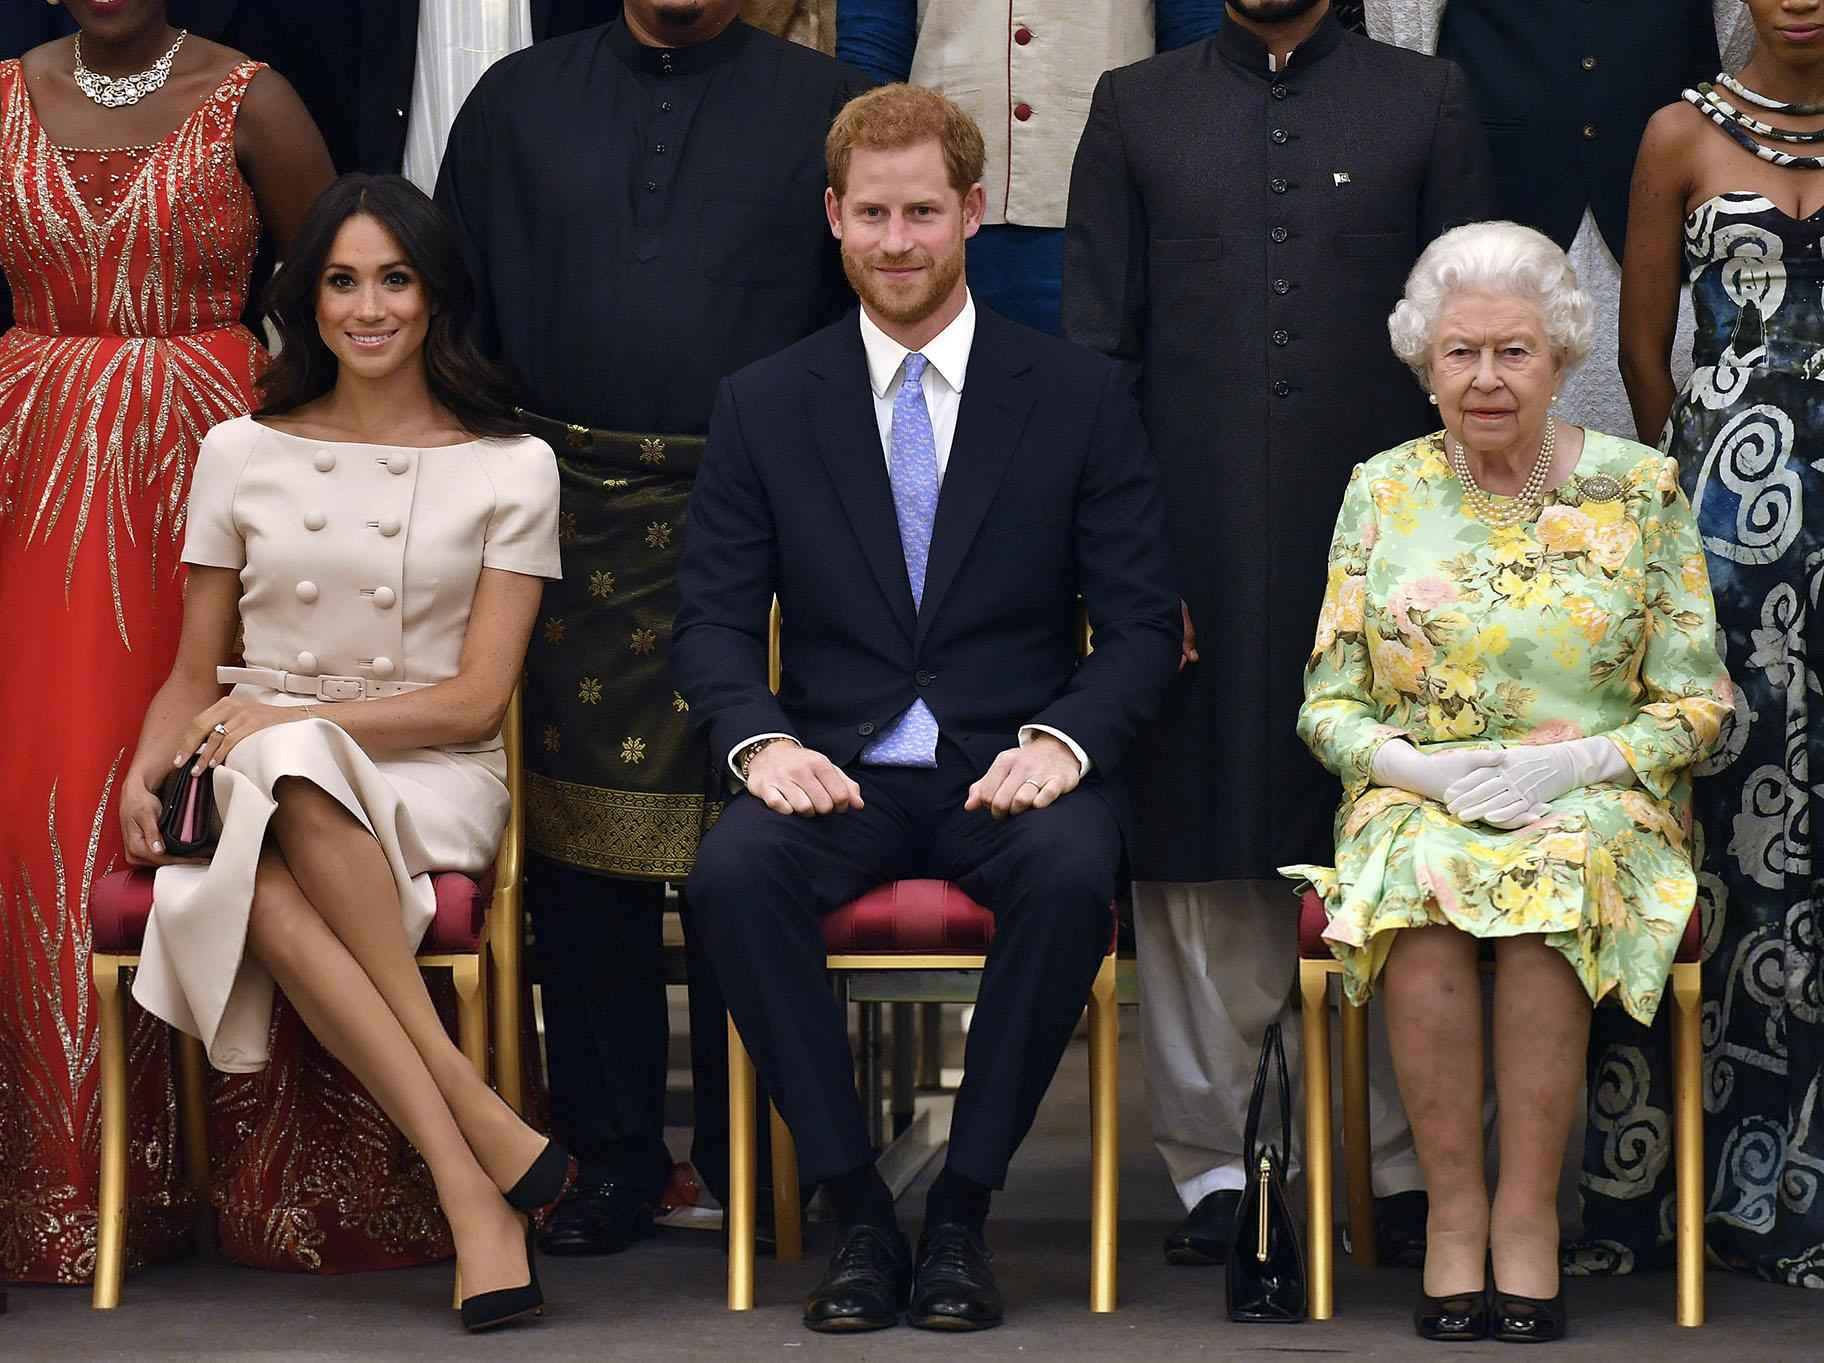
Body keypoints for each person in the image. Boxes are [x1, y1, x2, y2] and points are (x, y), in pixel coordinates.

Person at [674, 83, 1180, 1333]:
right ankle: (854, 1203)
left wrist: (1062, 743)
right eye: (871, 216)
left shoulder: (1072, 395)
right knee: (732, 874)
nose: (896, 243)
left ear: (972, 210)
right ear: (834, 218)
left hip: (1006, 770)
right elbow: (715, 625)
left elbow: (1140, 629)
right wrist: (760, 741)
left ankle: (960, 1207)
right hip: (833, 768)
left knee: (1072, 870)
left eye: (922, 214)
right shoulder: (764, 401)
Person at [1061, 0, 1495, 1269]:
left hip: (1392, 561)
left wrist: (1457, 572)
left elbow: (1467, 349)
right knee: (1201, 854)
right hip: (1188, 552)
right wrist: (1132, 577)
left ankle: (1408, 1166)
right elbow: (1101, 357)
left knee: (1393, 845)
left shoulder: (1427, 101)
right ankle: (1214, 1169)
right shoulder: (1136, 107)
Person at [436, 0, 869, 1256]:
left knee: (762, 841)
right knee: (579, 863)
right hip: (560, 522)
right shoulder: (518, 101)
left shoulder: (823, 105)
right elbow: (458, 317)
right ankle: (615, 1158)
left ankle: (766, 1153)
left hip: (769, 525)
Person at [124, 174, 567, 1332]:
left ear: (435, 299)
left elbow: (477, 698)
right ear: (308, 301)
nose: (368, 307)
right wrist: (142, 766)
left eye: (395, 279)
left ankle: (473, 1162)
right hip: (254, 755)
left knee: (278, 800)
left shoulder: (513, 463)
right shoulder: (238, 448)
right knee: (267, 815)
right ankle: (476, 1154)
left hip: (430, 768)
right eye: (341, 280)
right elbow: (194, 665)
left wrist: (285, 726)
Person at [1283, 220, 1732, 1341]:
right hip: (1419, 789)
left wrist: (1583, 761)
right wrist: (1418, 769)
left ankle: (1529, 1214)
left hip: (1595, 796)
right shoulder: (1379, 492)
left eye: (1515, 351)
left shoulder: (1641, 490)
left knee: (1549, 888)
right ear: (1424, 361)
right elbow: (1327, 702)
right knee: (1429, 891)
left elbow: (1697, 701)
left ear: (1564, 354)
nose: (1486, 378)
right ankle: (1454, 1212)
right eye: (1461, 352)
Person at [0, 0, 332, 1286]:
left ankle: (250, 1164)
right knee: (45, 790)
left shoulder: (257, 98)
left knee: (213, 773)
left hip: (215, 462)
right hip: (34, 468)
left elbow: (338, 283)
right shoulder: (7, 91)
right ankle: (71, 1175)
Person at [1618, 0, 1824, 1292]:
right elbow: (1647, 355)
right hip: (1726, 551)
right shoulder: (1678, 135)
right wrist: (1700, 504)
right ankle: (1718, 1185)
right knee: (1728, 847)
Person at [833, 0, 1223, 334]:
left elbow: (1196, 39)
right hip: (936, 201)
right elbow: (871, 44)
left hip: (1115, 193)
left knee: (1093, 395)